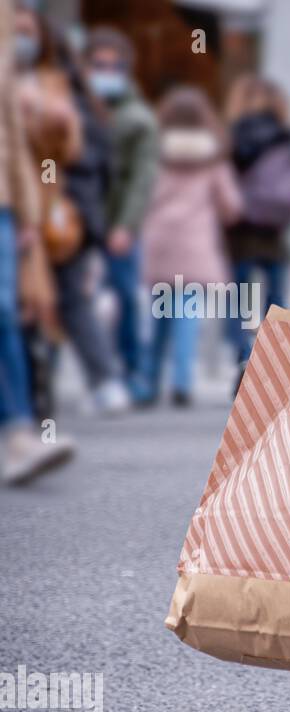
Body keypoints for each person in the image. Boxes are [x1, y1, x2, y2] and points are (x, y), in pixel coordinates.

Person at [14, 6, 126, 418]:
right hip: (52, 213)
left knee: (56, 301)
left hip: (62, 216)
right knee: (38, 302)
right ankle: (41, 391)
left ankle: (77, 386)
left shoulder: (65, 96)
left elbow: (87, 160)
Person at [0, 0, 74, 485]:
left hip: (12, 204)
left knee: (10, 309)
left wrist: (27, 212)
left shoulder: (43, 80)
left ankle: (20, 430)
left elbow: (14, 142)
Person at [138, 88, 242, 407]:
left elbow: (141, 197)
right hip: (195, 244)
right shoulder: (212, 158)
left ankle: (148, 381)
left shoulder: (154, 154)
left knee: (158, 318)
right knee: (186, 317)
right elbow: (232, 206)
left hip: (160, 242)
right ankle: (182, 382)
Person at [84, 27, 158, 403]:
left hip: (115, 224)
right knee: (72, 303)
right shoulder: (76, 110)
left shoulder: (137, 119)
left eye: (112, 66)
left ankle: (132, 373)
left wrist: (126, 226)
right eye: (98, 65)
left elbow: (142, 179)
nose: (104, 73)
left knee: (126, 298)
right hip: (77, 222)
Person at [223, 76, 290, 388]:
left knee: (241, 303)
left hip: (241, 235)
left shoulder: (231, 139)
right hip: (274, 235)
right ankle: (272, 362)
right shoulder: (286, 138)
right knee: (276, 301)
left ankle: (244, 357)